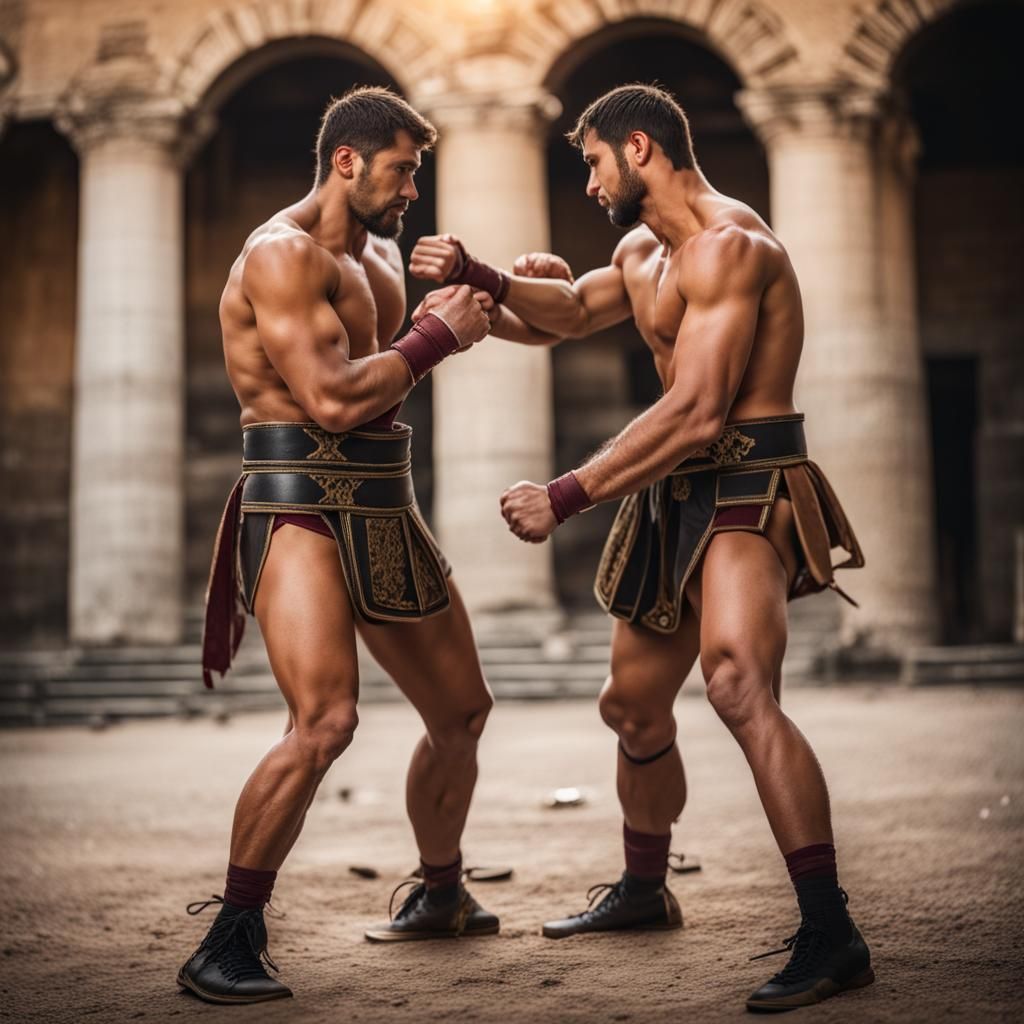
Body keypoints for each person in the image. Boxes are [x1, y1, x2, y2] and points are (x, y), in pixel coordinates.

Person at [410, 83, 872, 1012]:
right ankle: (645, 889)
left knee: (739, 684)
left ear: (639, 148)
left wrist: (566, 494)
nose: (586, 183)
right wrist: (487, 279)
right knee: (631, 707)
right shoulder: (641, 250)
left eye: (590, 163)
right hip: (675, 498)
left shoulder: (731, 247)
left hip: (748, 484)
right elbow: (572, 312)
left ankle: (831, 930)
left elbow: (701, 409)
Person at [179, 86, 507, 1006]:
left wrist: (494, 289)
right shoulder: (279, 256)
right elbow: (326, 400)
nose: (413, 191)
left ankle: (438, 896)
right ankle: (227, 939)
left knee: (462, 712)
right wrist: (438, 336)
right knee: (325, 722)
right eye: (403, 171)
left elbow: (383, 381)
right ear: (348, 161)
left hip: (382, 501)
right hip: (297, 507)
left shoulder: (384, 253)